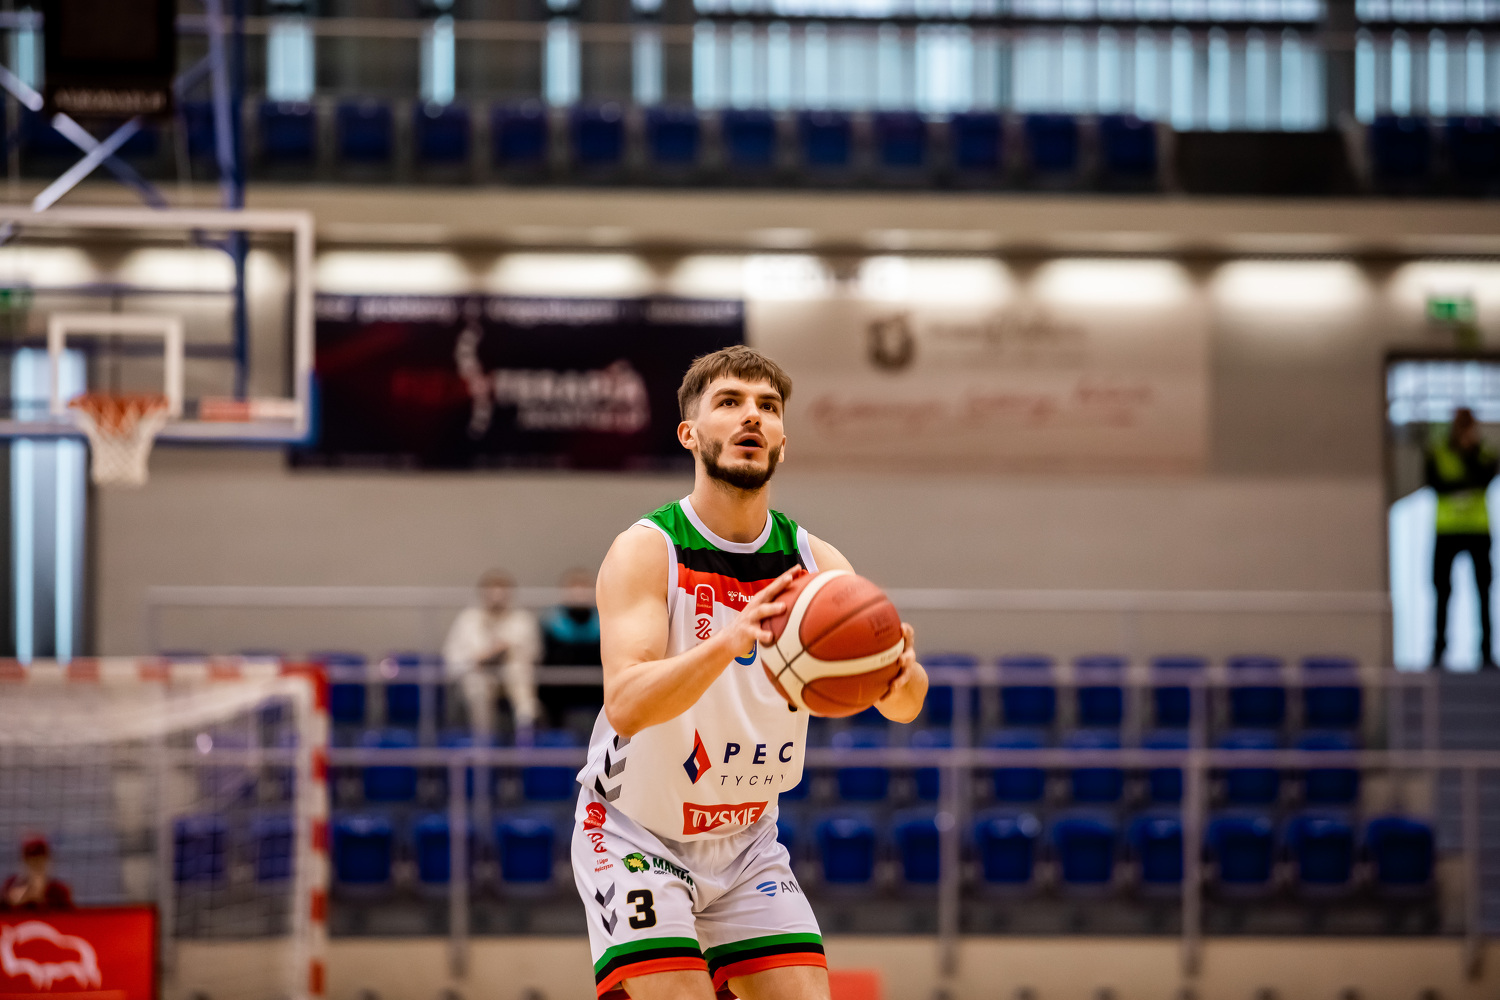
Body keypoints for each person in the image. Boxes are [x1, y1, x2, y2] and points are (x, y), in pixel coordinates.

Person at [572, 346, 928, 1000]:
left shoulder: (818, 566)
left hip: (747, 843)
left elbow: (904, 706)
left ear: (783, 442)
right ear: (689, 433)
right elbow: (625, 703)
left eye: (768, 406)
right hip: (635, 834)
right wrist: (727, 643)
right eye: (730, 402)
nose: (753, 417)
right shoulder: (648, 550)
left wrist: (898, 675)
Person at [1427, 407, 1500, 669]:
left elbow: (1485, 478)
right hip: (1447, 530)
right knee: (1442, 591)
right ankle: (1439, 651)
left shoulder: (1484, 453)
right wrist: (1467, 481)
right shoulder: (1439, 452)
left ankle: (1486, 652)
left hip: (1477, 531)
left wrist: (1469, 456)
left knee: (1483, 592)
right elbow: (1437, 485)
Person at [442, 569, 543, 741]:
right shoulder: (467, 619)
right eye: (492, 591)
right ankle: (484, 740)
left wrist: (507, 651)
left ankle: (526, 733)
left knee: (519, 671)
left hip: (512, 675)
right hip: (478, 674)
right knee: (477, 685)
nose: (497, 597)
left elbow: (535, 654)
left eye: (502, 591)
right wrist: (478, 660)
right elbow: (452, 658)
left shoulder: (522, 619)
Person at [539, 567, 604, 730]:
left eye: (584, 587)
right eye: (574, 587)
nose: (579, 593)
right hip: (561, 685)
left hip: (596, 684)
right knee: (547, 689)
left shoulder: (603, 620)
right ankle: (555, 734)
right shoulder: (552, 621)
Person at [1, 836, 73, 910]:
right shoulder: (11, 885)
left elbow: (67, 913)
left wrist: (42, 898)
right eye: (31, 861)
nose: (35, 866)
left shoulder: (58, 890)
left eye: (39, 862)